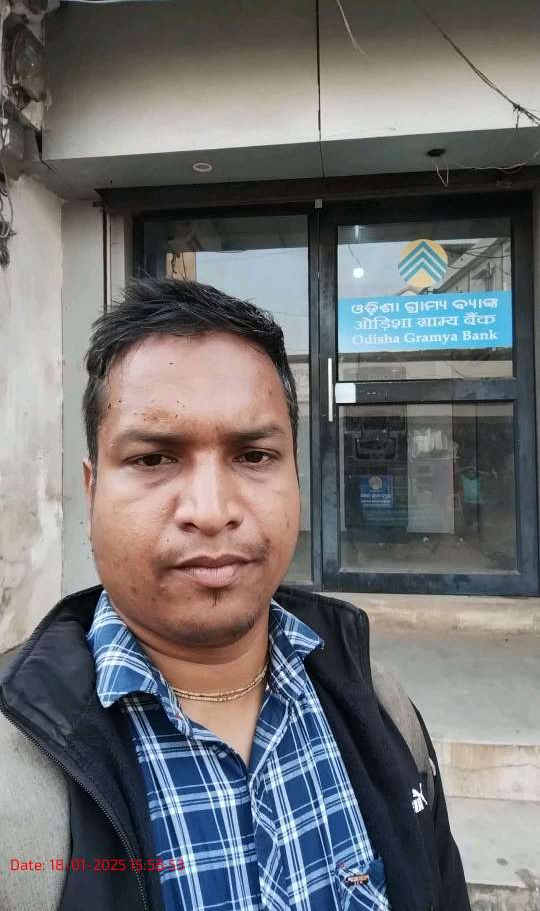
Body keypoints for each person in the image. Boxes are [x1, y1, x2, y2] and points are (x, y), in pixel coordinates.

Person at [0, 277, 470, 911]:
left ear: (295, 476)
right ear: (91, 492)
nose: (211, 510)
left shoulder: (379, 707)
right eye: (153, 459)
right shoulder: (16, 770)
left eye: (253, 456)